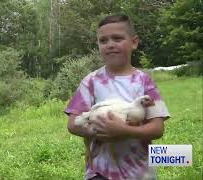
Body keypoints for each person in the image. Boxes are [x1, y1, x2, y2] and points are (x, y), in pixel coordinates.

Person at [65, 14, 170, 180]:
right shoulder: (90, 82)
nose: (110, 45)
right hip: (100, 172)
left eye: (117, 38)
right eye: (103, 41)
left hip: (140, 172)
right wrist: (98, 131)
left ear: (134, 42)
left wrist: (125, 131)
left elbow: (157, 129)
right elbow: (72, 123)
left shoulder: (145, 81)